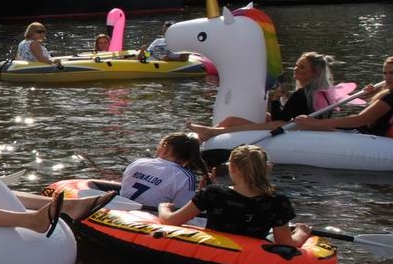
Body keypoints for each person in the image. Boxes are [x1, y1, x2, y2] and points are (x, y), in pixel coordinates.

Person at [159, 144, 311, 247]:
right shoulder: (278, 201)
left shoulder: (213, 193)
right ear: (266, 168)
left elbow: (171, 221)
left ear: (232, 168)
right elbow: (285, 244)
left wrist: (164, 208)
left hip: (214, 251)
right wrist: (301, 233)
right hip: (251, 258)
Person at [188, 52, 335, 141]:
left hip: (302, 129)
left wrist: (275, 99)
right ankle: (206, 135)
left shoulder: (303, 94)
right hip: (297, 124)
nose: (295, 69)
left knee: (275, 123)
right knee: (233, 120)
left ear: (314, 73)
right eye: (296, 65)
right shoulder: (316, 92)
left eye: (302, 67)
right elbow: (291, 113)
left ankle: (213, 132)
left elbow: (280, 119)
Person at [289, 56, 393, 138]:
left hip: (365, 136)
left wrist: (316, 122)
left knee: (303, 127)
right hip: (362, 132)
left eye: (392, 73)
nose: (387, 77)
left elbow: (359, 120)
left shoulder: (390, 97)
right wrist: (372, 93)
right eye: (385, 73)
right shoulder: (387, 93)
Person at [119, 133, 206, 208]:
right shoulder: (185, 177)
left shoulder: (138, 162)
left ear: (165, 148)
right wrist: (202, 192)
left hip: (119, 212)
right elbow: (182, 211)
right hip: (149, 218)